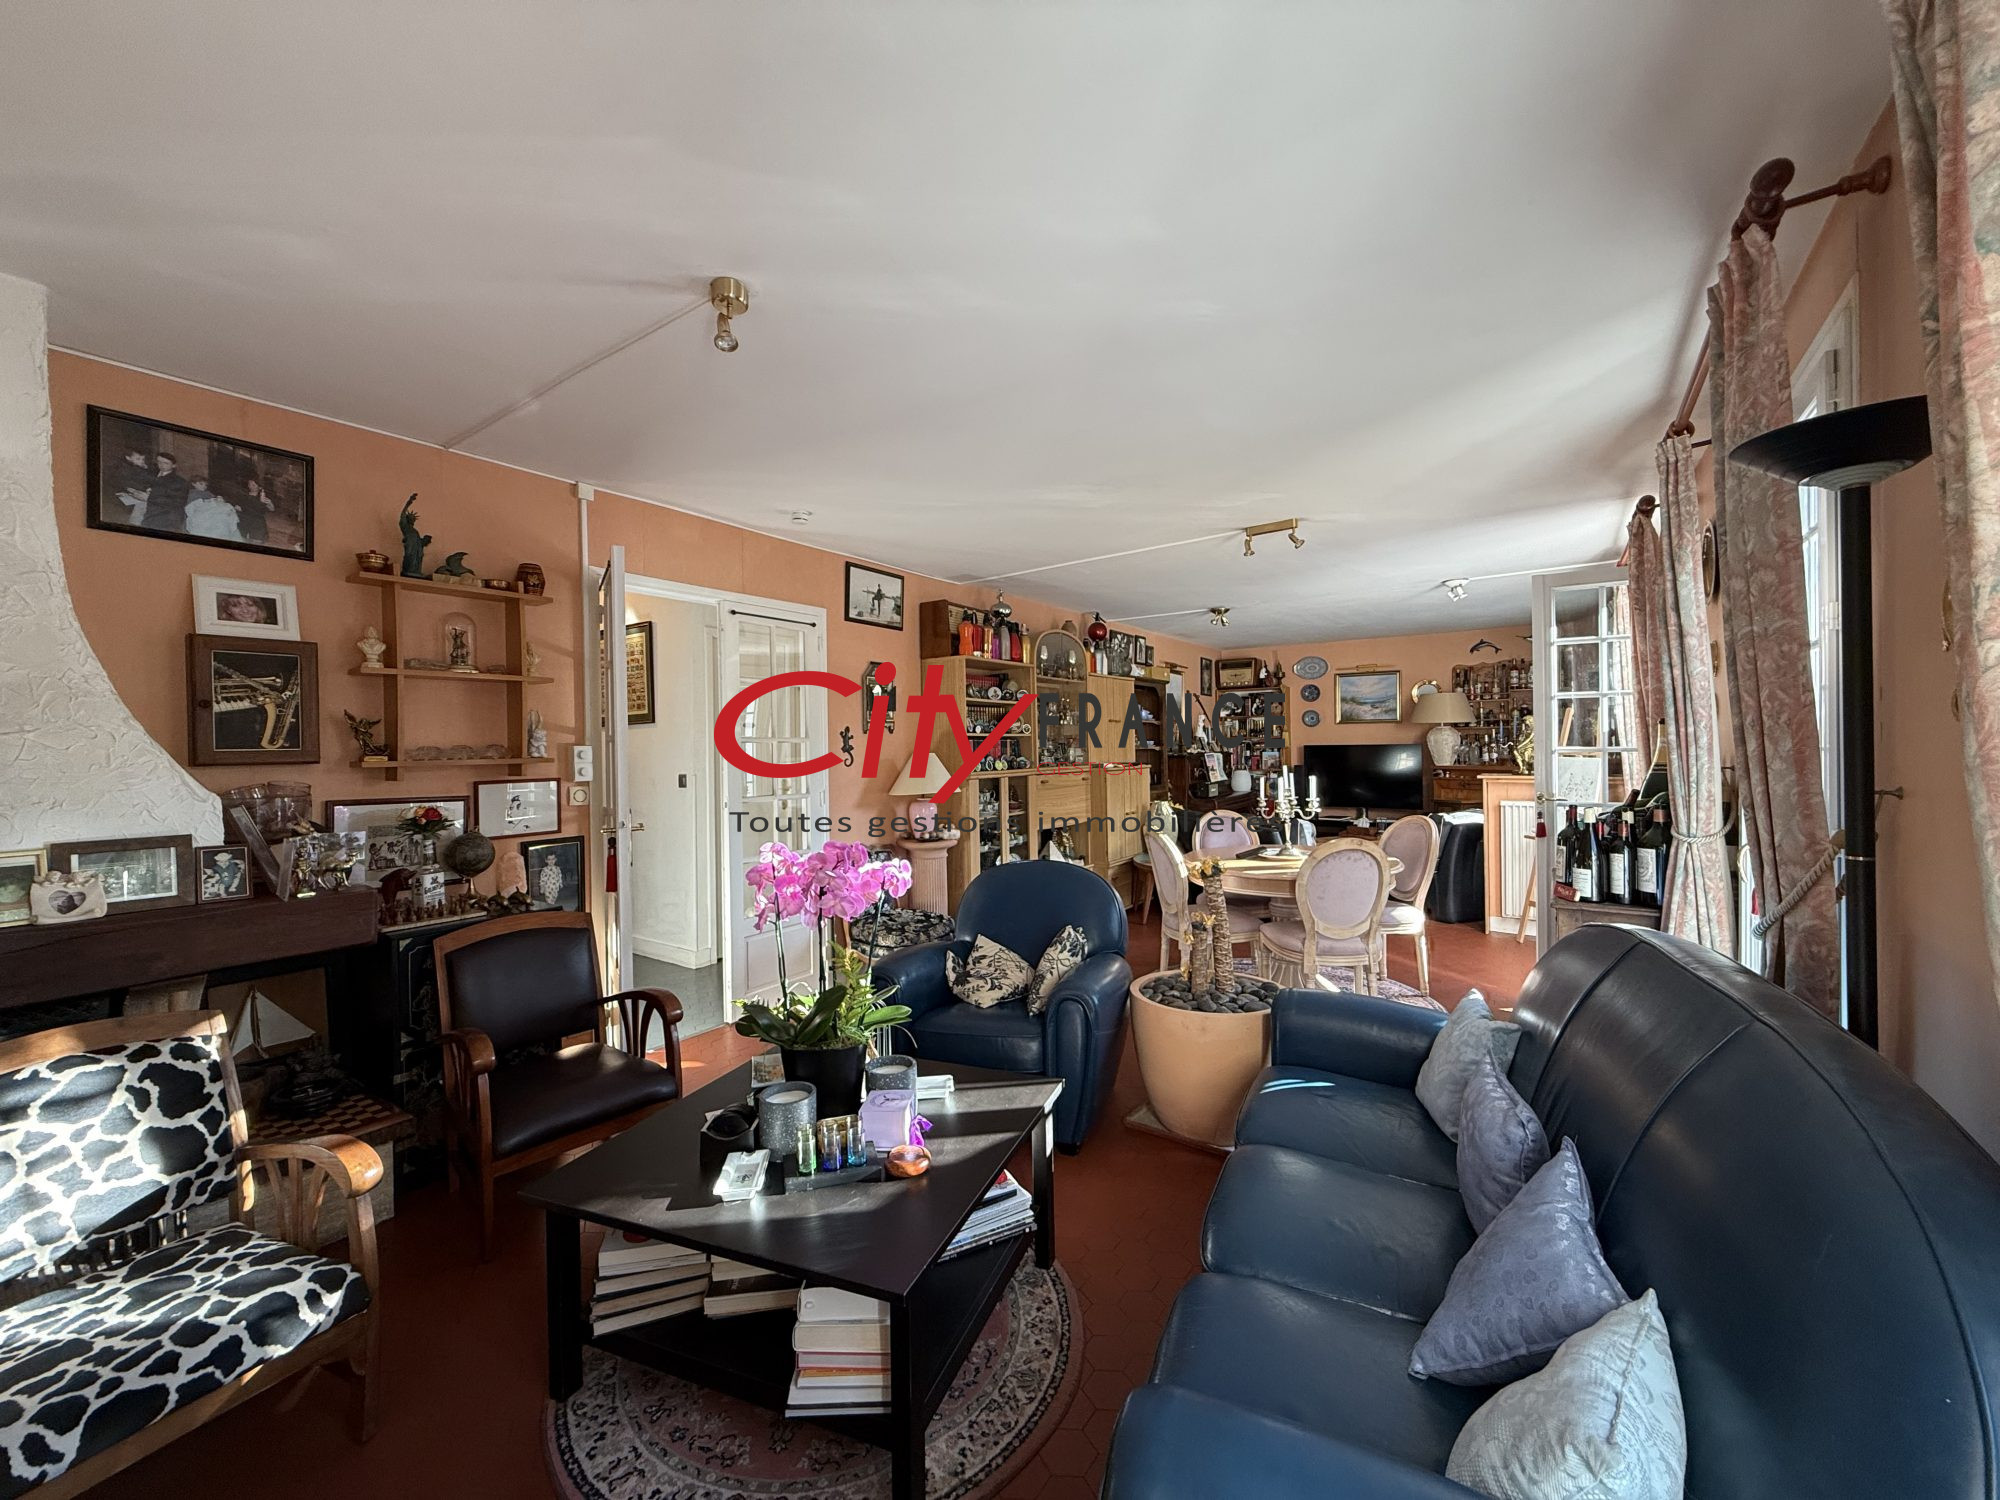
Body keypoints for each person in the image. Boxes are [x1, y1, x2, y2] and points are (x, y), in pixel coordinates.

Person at [182, 476, 243, 541]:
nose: (204, 486)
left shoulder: (207, 493)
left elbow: (215, 500)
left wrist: (218, 499)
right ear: (193, 484)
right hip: (201, 514)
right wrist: (211, 502)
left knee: (225, 514)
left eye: (205, 485)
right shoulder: (193, 494)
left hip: (212, 512)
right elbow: (193, 507)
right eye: (201, 484)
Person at [144, 452, 190, 533]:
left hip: (167, 516)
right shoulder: (152, 475)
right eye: (159, 462)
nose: (161, 465)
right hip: (150, 511)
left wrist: (150, 497)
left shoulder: (180, 481)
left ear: (174, 465)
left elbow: (178, 502)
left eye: (166, 463)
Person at [109, 445, 153, 522]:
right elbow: (128, 483)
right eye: (138, 459)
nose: (142, 461)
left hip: (136, 491)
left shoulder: (138, 467)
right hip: (123, 494)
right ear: (128, 458)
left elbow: (146, 480)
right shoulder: (124, 468)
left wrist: (147, 486)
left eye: (143, 459)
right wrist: (144, 488)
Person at [237, 476, 277, 545]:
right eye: (249, 484)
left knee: (256, 543)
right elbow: (237, 506)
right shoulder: (244, 495)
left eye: (253, 485)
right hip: (244, 521)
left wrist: (270, 503)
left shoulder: (262, 497)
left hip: (257, 523)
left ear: (260, 487)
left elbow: (272, 509)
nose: (250, 486)